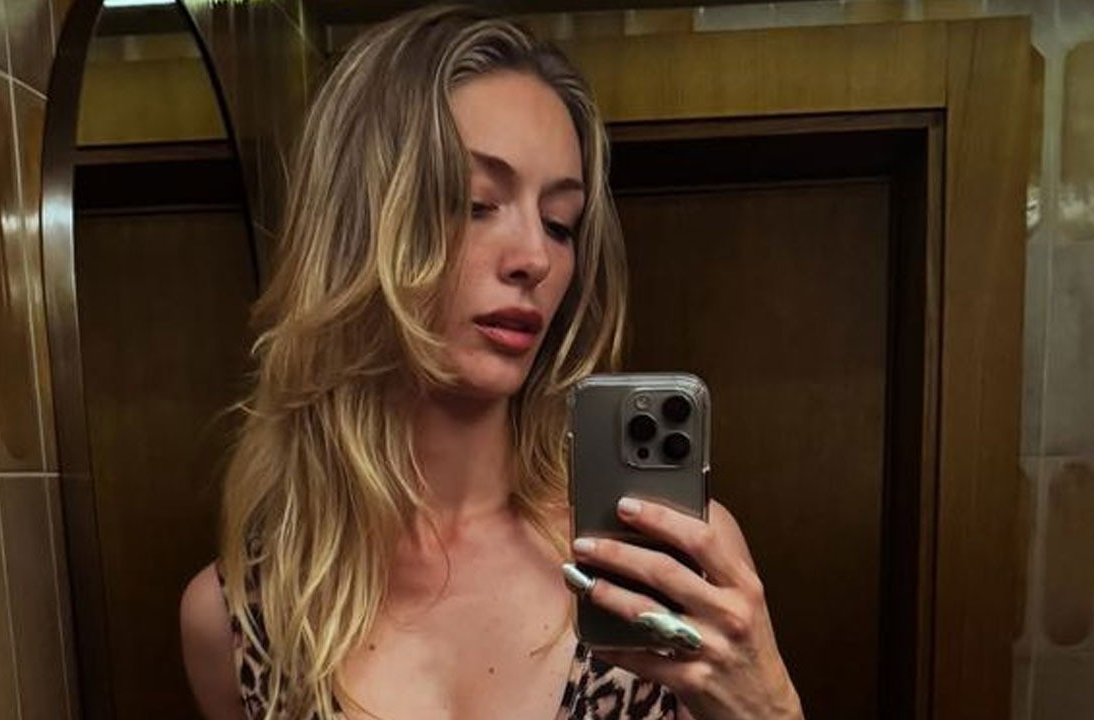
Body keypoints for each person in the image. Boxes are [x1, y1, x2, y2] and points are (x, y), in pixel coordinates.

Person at [180, 5, 802, 719]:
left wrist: (769, 708)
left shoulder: (667, 560)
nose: (536, 256)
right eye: (476, 204)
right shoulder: (237, 618)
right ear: (359, 227)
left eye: (560, 223)